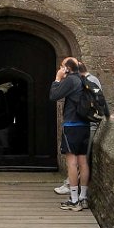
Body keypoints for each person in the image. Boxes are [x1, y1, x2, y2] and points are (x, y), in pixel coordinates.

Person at [48, 56, 93, 210]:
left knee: (72, 163)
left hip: (72, 125)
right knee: (83, 161)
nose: (61, 69)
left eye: (62, 66)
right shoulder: (85, 79)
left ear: (67, 68)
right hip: (85, 124)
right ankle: (83, 197)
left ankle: (74, 200)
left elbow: (54, 95)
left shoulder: (71, 80)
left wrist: (57, 78)